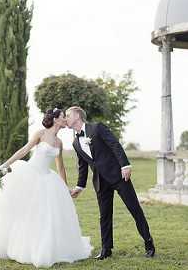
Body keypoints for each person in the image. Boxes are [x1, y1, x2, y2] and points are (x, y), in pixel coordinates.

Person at [0, 108, 92, 268]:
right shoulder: (41, 133)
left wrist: (65, 188)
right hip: (29, 174)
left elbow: (61, 167)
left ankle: (40, 246)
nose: (65, 120)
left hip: (48, 179)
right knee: (23, 211)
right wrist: (3, 166)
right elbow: (24, 151)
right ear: (56, 119)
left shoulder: (59, 143)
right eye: (64, 117)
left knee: (44, 215)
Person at [66, 106, 155, 260]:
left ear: (77, 115)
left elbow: (115, 144)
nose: (65, 118)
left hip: (119, 176)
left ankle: (148, 242)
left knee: (134, 209)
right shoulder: (75, 142)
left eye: (67, 115)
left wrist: (125, 165)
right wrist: (80, 187)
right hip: (100, 182)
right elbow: (83, 166)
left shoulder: (97, 128)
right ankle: (106, 249)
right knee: (104, 216)